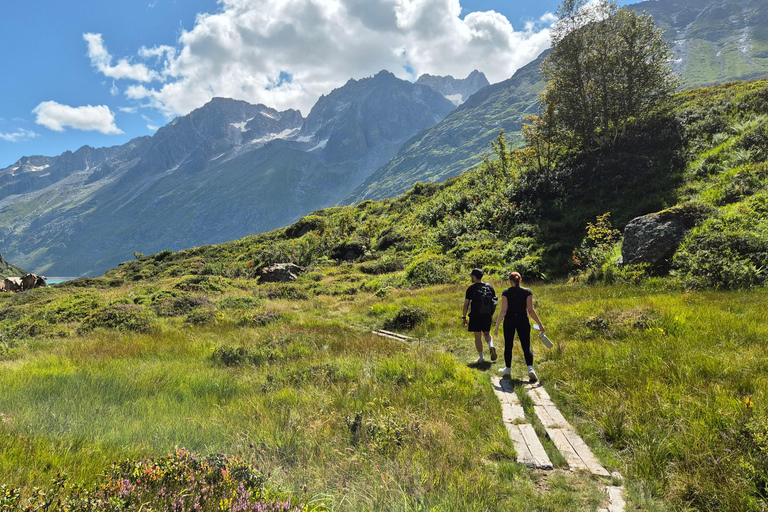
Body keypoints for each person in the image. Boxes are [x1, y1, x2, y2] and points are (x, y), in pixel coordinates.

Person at [493, 271, 544, 383]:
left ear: (510, 281)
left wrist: (497, 326)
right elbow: (530, 310)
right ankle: (530, 368)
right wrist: (540, 324)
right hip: (523, 319)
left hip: (510, 320)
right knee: (526, 345)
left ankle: (508, 369)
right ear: (520, 280)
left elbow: (503, 310)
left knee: (508, 345)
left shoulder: (506, 292)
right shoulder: (527, 292)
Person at [462, 268, 497, 363]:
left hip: (475, 315)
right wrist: (491, 314)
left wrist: (464, 317)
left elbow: (466, 304)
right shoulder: (490, 287)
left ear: (474, 277)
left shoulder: (471, 289)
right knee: (487, 334)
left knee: (477, 337)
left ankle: (481, 358)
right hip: (487, 314)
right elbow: (494, 302)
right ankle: (491, 345)